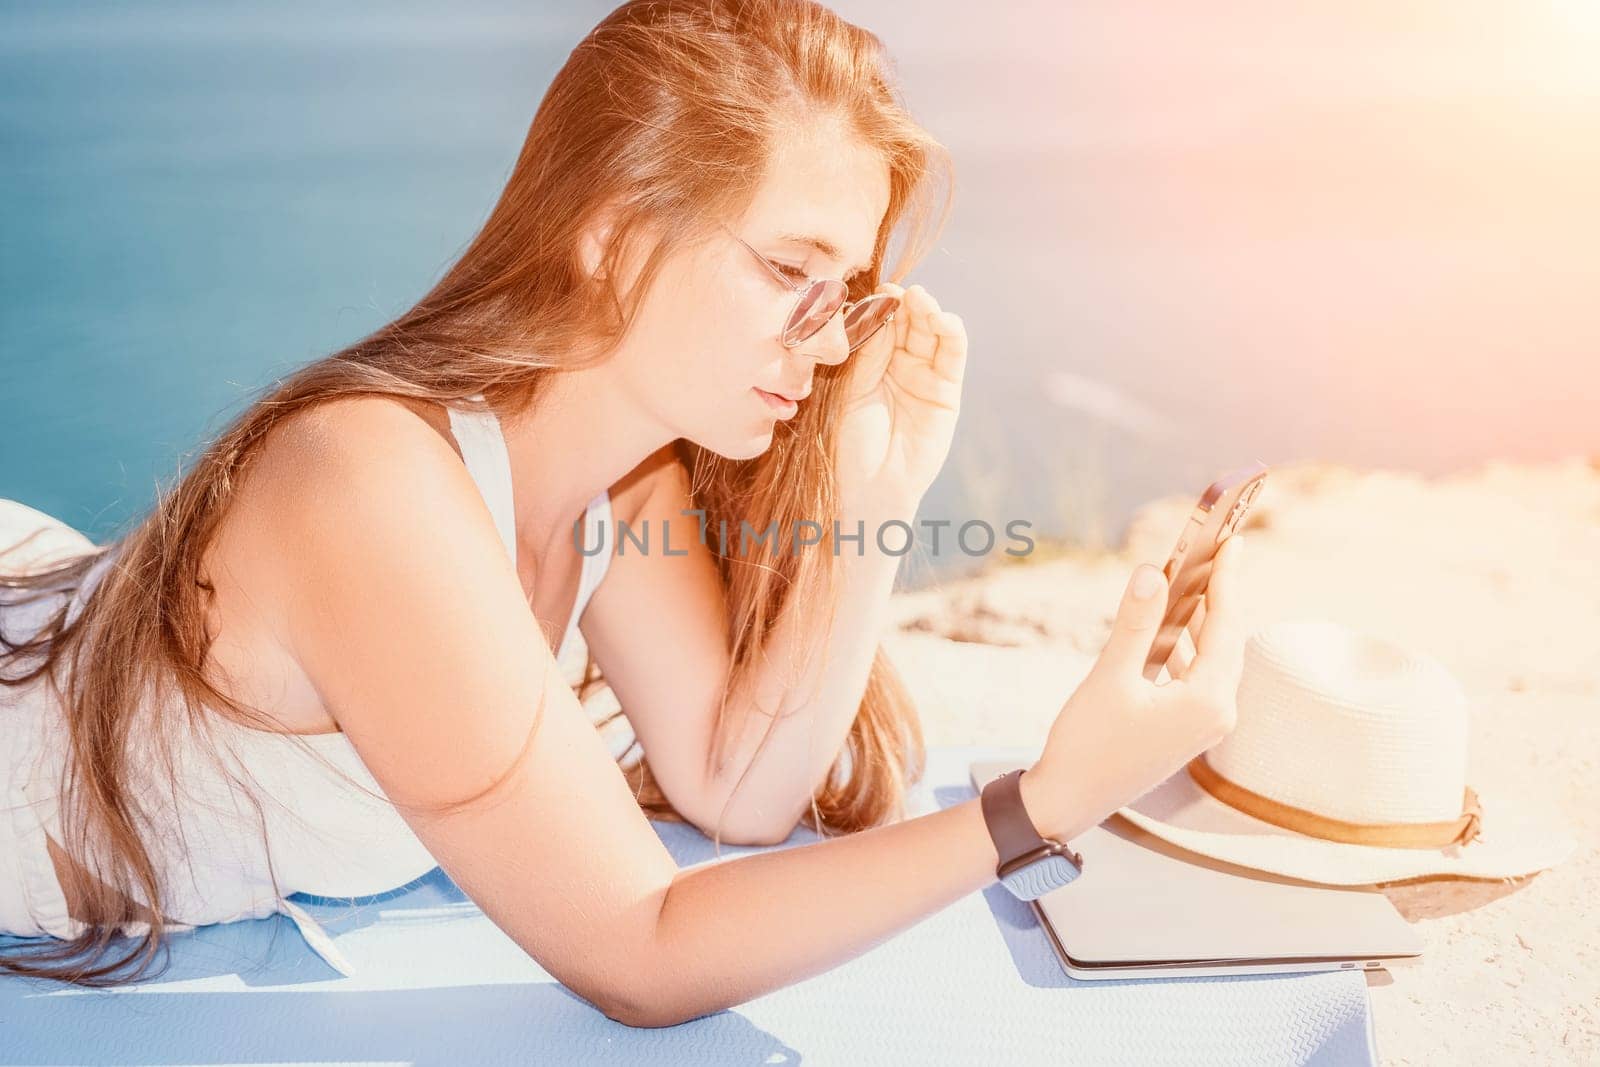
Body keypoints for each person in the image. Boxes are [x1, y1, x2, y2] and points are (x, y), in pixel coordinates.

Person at [0, 0, 1247, 1026]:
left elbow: (737, 785)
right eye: (784, 269)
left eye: (843, 289)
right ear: (612, 236)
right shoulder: (369, 483)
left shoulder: (619, 483)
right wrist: (1044, 802)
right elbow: (641, 953)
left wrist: (873, 499)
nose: (822, 342)